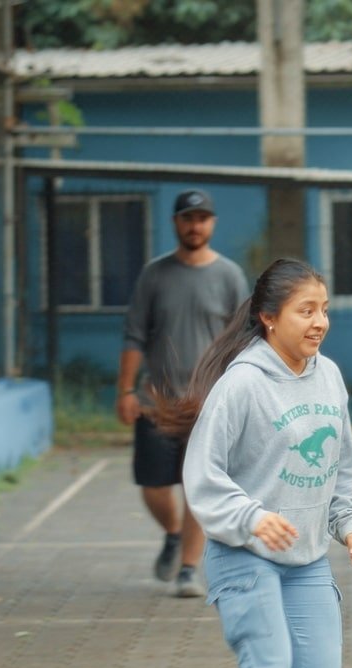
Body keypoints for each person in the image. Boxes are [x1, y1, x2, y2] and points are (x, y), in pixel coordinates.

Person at [158, 259, 352, 668]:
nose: (319, 321)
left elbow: (343, 464)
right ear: (268, 317)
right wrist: (252, 517)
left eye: (324, 308)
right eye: (306, 310)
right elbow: (201, 477)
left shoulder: (328, 377)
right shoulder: (242, 384)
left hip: (303, 558)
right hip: (243, 551)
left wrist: (348, 522)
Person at [119, 189, 250, 598]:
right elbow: (134, 334)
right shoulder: (154, 275)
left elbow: (241, 339)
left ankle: (189, 569)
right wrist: (125, 389)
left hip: (208, 403)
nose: (195, 225)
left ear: (212, 224)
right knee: (154, 485)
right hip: (157, 402)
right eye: (188, 218)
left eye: (202, 218)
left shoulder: (229, 275)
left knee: (197, 486)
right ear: (176, 223)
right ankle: (173, 535)